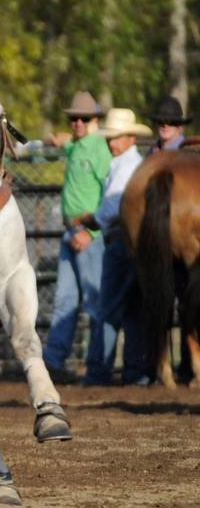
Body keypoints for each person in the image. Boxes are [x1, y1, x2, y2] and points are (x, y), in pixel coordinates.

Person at [75, 108, 151, 385]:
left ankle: (98, 371)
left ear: (131, 138)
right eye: (111, 137)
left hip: (120, 241)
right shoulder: (134, 163)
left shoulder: (124, 166)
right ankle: (136, 371)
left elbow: (113, 207)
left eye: (117, 137)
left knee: (108, 308)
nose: (111, 142)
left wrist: (91, 219)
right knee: (134, 309)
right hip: (137, 243)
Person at [41, 91, 112, 383]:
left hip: (89, 235)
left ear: (95, 120)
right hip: (71, 231)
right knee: (65, 299)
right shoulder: (78, 145)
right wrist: (61, 140)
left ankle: (97, 369)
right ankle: (53, 363)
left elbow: (109, 194)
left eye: (84, 118)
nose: (78, 122)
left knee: (94, 302)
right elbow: (68, 143)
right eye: (74, 118)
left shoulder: (99, 149)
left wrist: (92, 230)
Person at [146, 95, 195, 383]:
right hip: (158, 243)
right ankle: (164, 364)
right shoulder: (152, 155)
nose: (165, 126)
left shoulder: (188, 155)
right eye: (162, 122)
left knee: (188, 300)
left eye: (171, 122)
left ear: (179, 127)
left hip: (183, 241)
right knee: (166, 299)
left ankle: (186, 364)